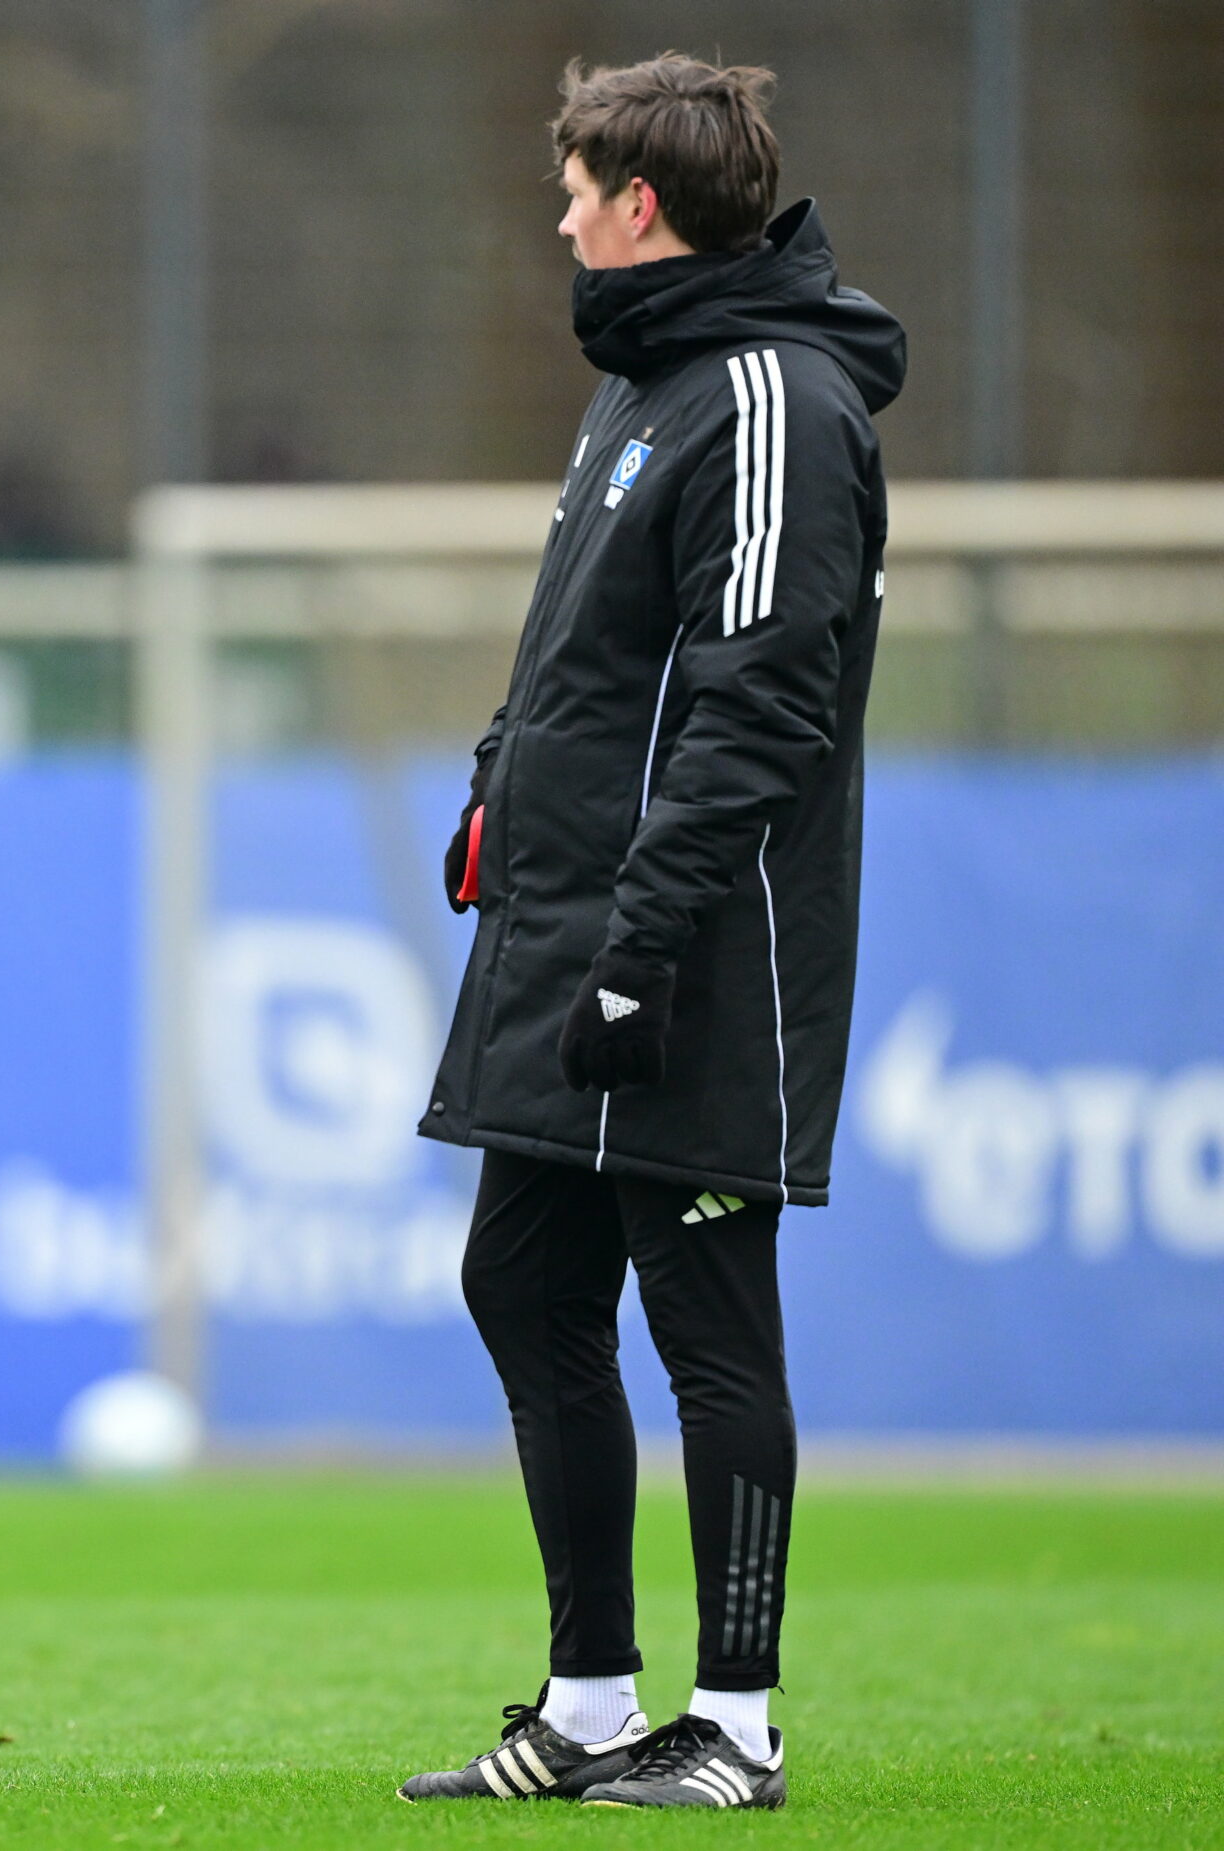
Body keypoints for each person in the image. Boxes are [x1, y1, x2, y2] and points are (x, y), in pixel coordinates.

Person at [403, 56, 903, 1811]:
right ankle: (594, 1702)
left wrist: (644, 943)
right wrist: (498, 777)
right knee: (521, 1282)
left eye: (574, 187)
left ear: (641, 204)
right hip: (569, 927)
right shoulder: (649, 384)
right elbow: (595, 660)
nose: (556, 215)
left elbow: (760, 708)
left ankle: (740, 1727)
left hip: (694, 953)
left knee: (710, 1322)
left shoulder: (775, 394)